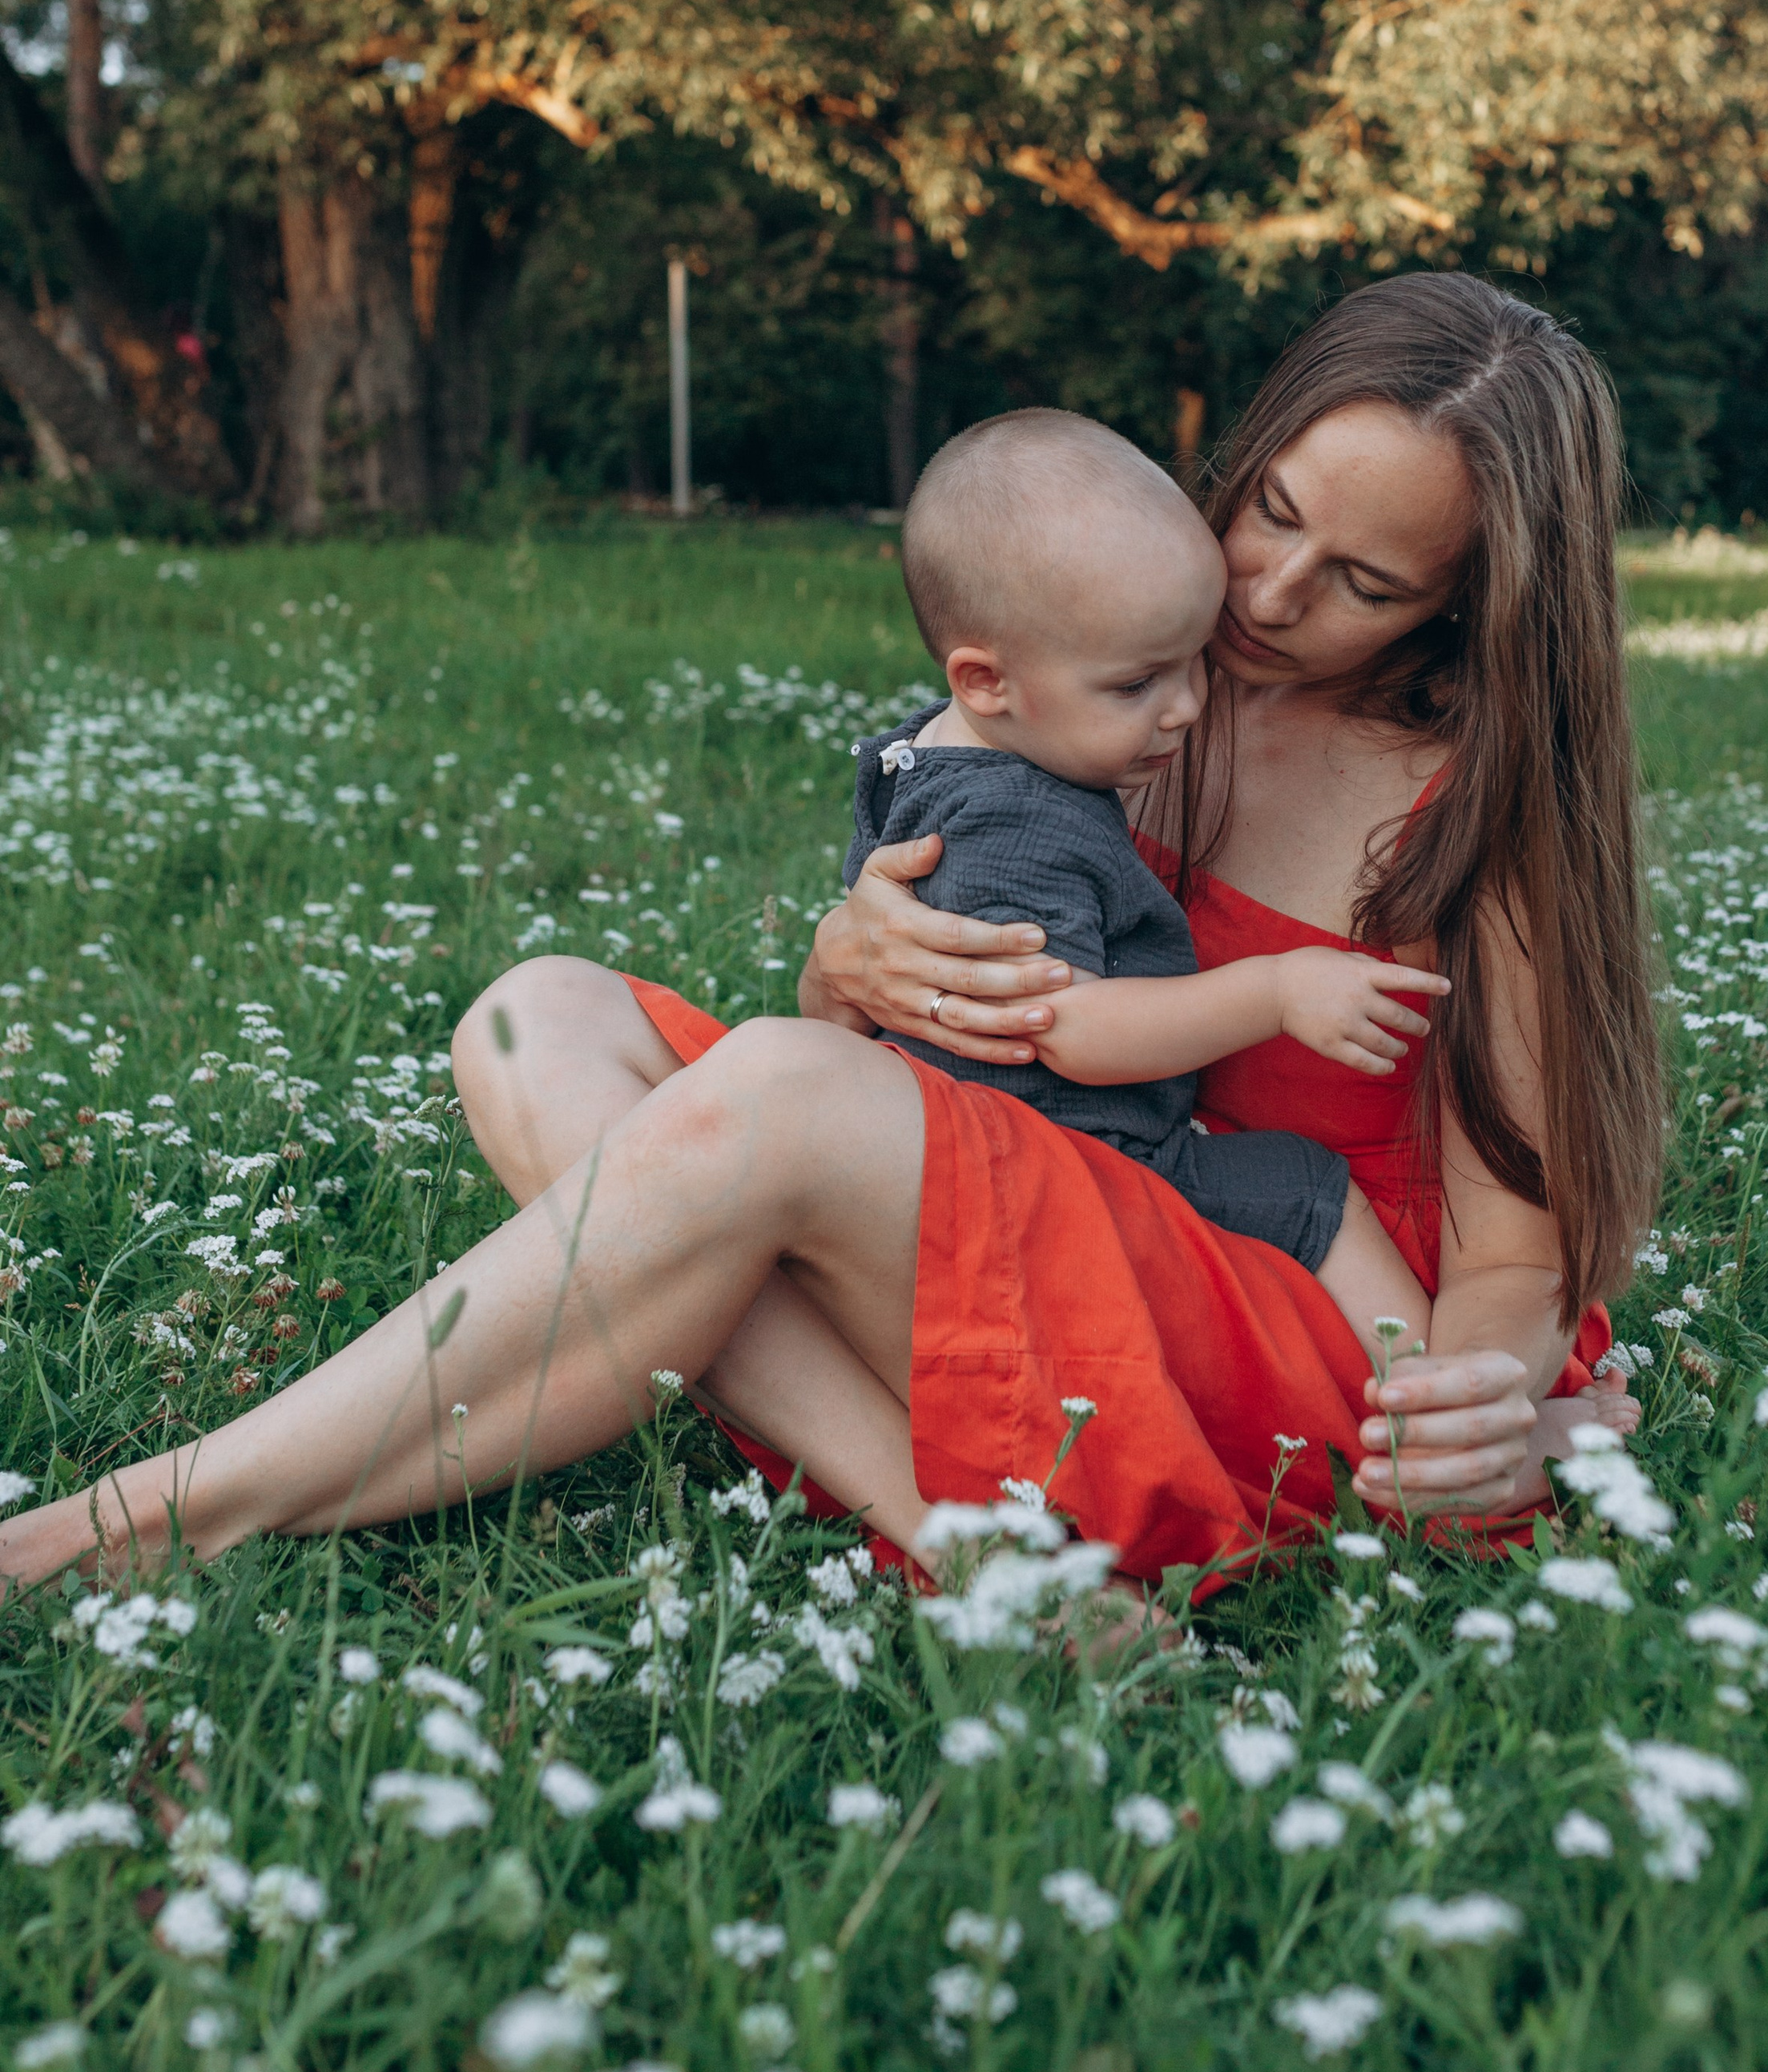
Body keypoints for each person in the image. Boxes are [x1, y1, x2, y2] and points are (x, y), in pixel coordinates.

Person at [0, 276, 1661, 1596]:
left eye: (1364, 581)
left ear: (1468, 600)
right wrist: (844, 965)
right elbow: (940, 991)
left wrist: (1479, 1397)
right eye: (1271, 509)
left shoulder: (1471, 818)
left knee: (779, 1102)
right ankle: (957, 1541)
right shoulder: (1136, 673)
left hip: (1268, 1310)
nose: (1273, 593)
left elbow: (1520, 1256)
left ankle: (155, 1518)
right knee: (534, 1018)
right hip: (1045, 1186)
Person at [847, 405, 1452, 1353]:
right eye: (1138, 685)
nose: (1185, 709)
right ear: (986, 681)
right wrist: (1275, 990)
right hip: (1067, 1168)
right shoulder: (1021, 823)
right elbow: (1068, 1027)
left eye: (1191, 662)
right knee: (1305, 1187)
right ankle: (1437, 1399)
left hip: (956, 1145)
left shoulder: (928, 754)